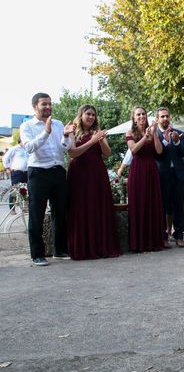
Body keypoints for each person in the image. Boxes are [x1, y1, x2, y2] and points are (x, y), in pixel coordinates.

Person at [20, 92, 75, 266]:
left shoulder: (58, 124)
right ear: (35, 106)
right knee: (37, 213)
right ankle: (37, 254)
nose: (48, 107)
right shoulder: (27, 126)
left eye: (50, 104)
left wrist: (66, 135)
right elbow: (29, 148)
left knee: (60, 212)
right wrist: (45, 132)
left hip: (58, 171)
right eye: (44, 104)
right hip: (38, 172)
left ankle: (59, 250)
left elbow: (66, 148)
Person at [66, 104, 120, 260]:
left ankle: (100, 246)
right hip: (79, 173)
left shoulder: (97, 132)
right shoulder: (73, 131)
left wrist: (101, 140)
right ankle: (83, 247)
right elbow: (73, 153)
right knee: (81, 208)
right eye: (88, 114)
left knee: (97, 207)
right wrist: (92, 141)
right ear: (81, 115)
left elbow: (108, 153)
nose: (91, 117)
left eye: (93, 115)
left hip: (97, 174)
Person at [125, 106, 167, 252]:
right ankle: (139, 243)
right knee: (139, 203)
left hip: (152, 169)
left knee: (152, 203)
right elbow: (134, 149)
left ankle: (154, 241)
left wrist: (154, 134)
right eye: (138, 114)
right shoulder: (130, 132)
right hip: (138, 170)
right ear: (134, 118)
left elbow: (159, 151)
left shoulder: (152, 130)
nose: (142, 116)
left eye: (143, 114)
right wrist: (145, 137)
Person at [155, 107, 184, 247]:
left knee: (178, 206)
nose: (165, 119)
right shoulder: (154, 135)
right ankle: (163, 237)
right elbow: (158, 155)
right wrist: (166, 141)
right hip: (162, 175)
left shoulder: (179, 134)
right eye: (162, 116)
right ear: (157, 119)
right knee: (163, 206)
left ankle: (179, 235)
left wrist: (175, 142)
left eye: (167, 116)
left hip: (179, 175)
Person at [3, 138, 29, 212]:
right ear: (20, 140)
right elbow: (5, 158)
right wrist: (7, 167)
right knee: (15, 190)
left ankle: (24, 207)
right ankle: (12, 208)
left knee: (24, 190)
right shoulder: (14, 149)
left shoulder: (27, 149)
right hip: (17, 172)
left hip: (26, 172)